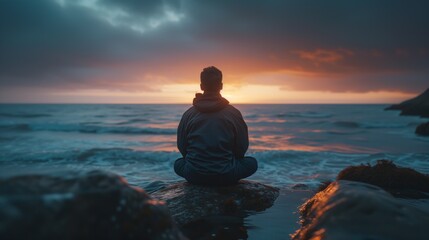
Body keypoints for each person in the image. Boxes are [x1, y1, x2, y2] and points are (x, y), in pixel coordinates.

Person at [174, 66, 258, 186]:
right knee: (252, 163)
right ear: (221, 86)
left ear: (201, 86)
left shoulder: (189, 114)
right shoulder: (233, 113)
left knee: (178, 163)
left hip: (194, 175)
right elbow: (241, 148)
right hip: (227, 175)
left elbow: (182, 146)